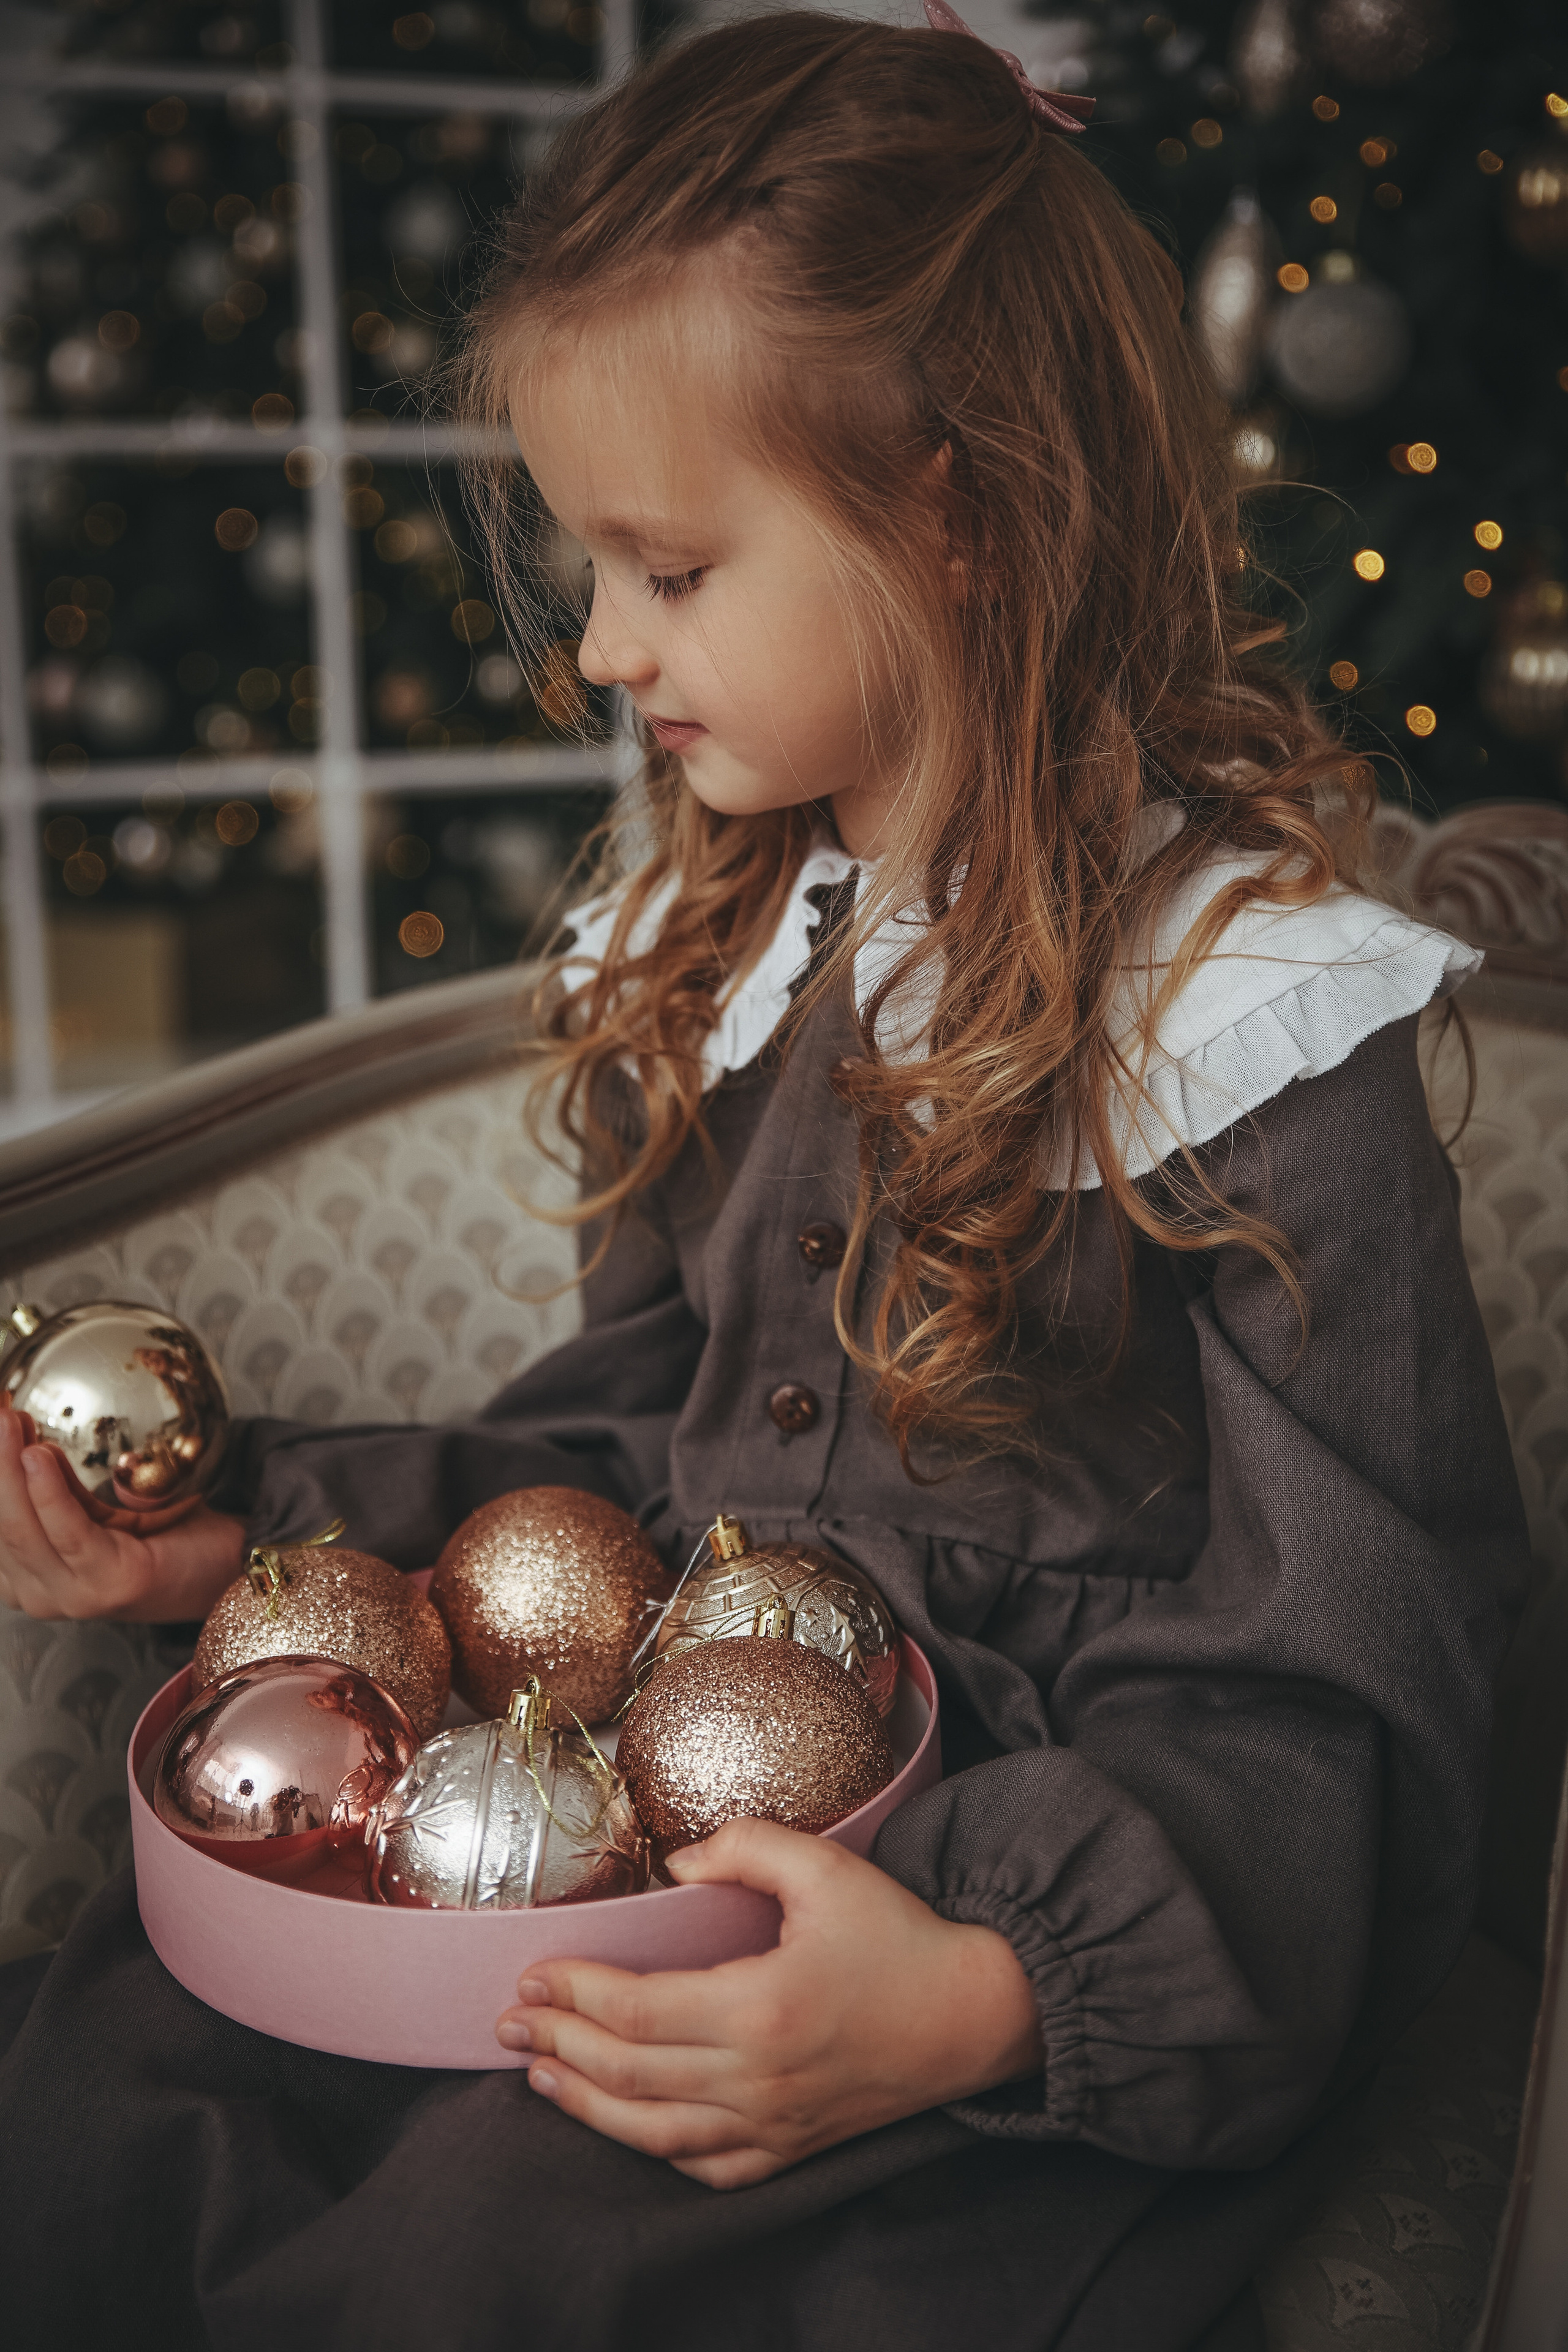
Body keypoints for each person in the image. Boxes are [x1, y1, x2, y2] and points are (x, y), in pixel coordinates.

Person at [0, 12, 1529, 2348]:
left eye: (672, 567)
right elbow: (631, 1464)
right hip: (660, 1791)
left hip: (984, 1915)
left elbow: (1357, 1681)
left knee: (492, 2250)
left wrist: (1001, 1998)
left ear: (971, 514)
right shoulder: (736, 937)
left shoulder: (1254, 1015)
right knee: (139, 2060)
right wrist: (272, 1522)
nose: (606, 647)